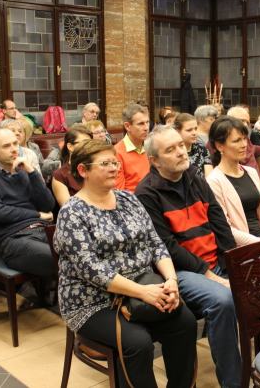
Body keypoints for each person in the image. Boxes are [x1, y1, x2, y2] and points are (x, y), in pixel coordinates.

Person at [55, 139, 196, 388]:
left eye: (115, 162)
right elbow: (91, 269)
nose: (114, 168)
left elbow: (155, 243)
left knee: (185, 323)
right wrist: (143, 292)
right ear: (83, 170)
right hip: (93, 301)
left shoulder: (128, 199)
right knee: (137, 343)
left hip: (144, 287)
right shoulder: (72, 212)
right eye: (105, 164)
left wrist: (171, 280)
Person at [135, 126, 241, 388]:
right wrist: (212, 276)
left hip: (215, 264)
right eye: (170, 149)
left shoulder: (196, 179)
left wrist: (234, 267)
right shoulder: (146, 194)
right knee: (223, 300)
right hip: (180, 272)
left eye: (181, 145)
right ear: (154, 161)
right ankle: (234, 383)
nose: (181, 152)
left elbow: (222, 229)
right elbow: (168, 247)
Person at [0, 128, 56, 276]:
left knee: (85, 251)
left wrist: (32, 173)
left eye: (15, 143)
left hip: (43, 230)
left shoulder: (25, 172)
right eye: (6, 146)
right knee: (65, 259)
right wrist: (37, 215)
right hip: (14, 239)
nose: (14, 149)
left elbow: (48, 205)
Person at [206, 116, 260, 246]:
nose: (244, 145)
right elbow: (225, 227)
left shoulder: (251, 172)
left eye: (244, 139)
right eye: (237, 141)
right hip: (242, 247)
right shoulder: (214, 181)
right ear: (219, 146)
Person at [220, 107, 260, 178]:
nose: (245, 125)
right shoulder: (221, 139)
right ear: (228, 120)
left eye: (247, 122)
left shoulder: (245, 137)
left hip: (256, 179)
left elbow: (253, 148)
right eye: (242, 120)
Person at [51, 125, 92, 207]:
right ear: (70, 146)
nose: (88, 147)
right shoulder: (60, 175)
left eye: (90, 143)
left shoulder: (95, 168)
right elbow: (68, 208)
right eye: (84, 143)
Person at [114, 104, 150, 192]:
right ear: (127, 126)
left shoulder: (150, 147)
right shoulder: (116, 153)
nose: (146, 128)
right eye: (141, 124)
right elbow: (119, 193)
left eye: (147, 122)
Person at [173, 113, 212, 177]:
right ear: (178, 132)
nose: (194, 133)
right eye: (189, 130)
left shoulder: (202, 149)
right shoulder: (173, 152)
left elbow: (209, 177)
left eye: (196, 129)